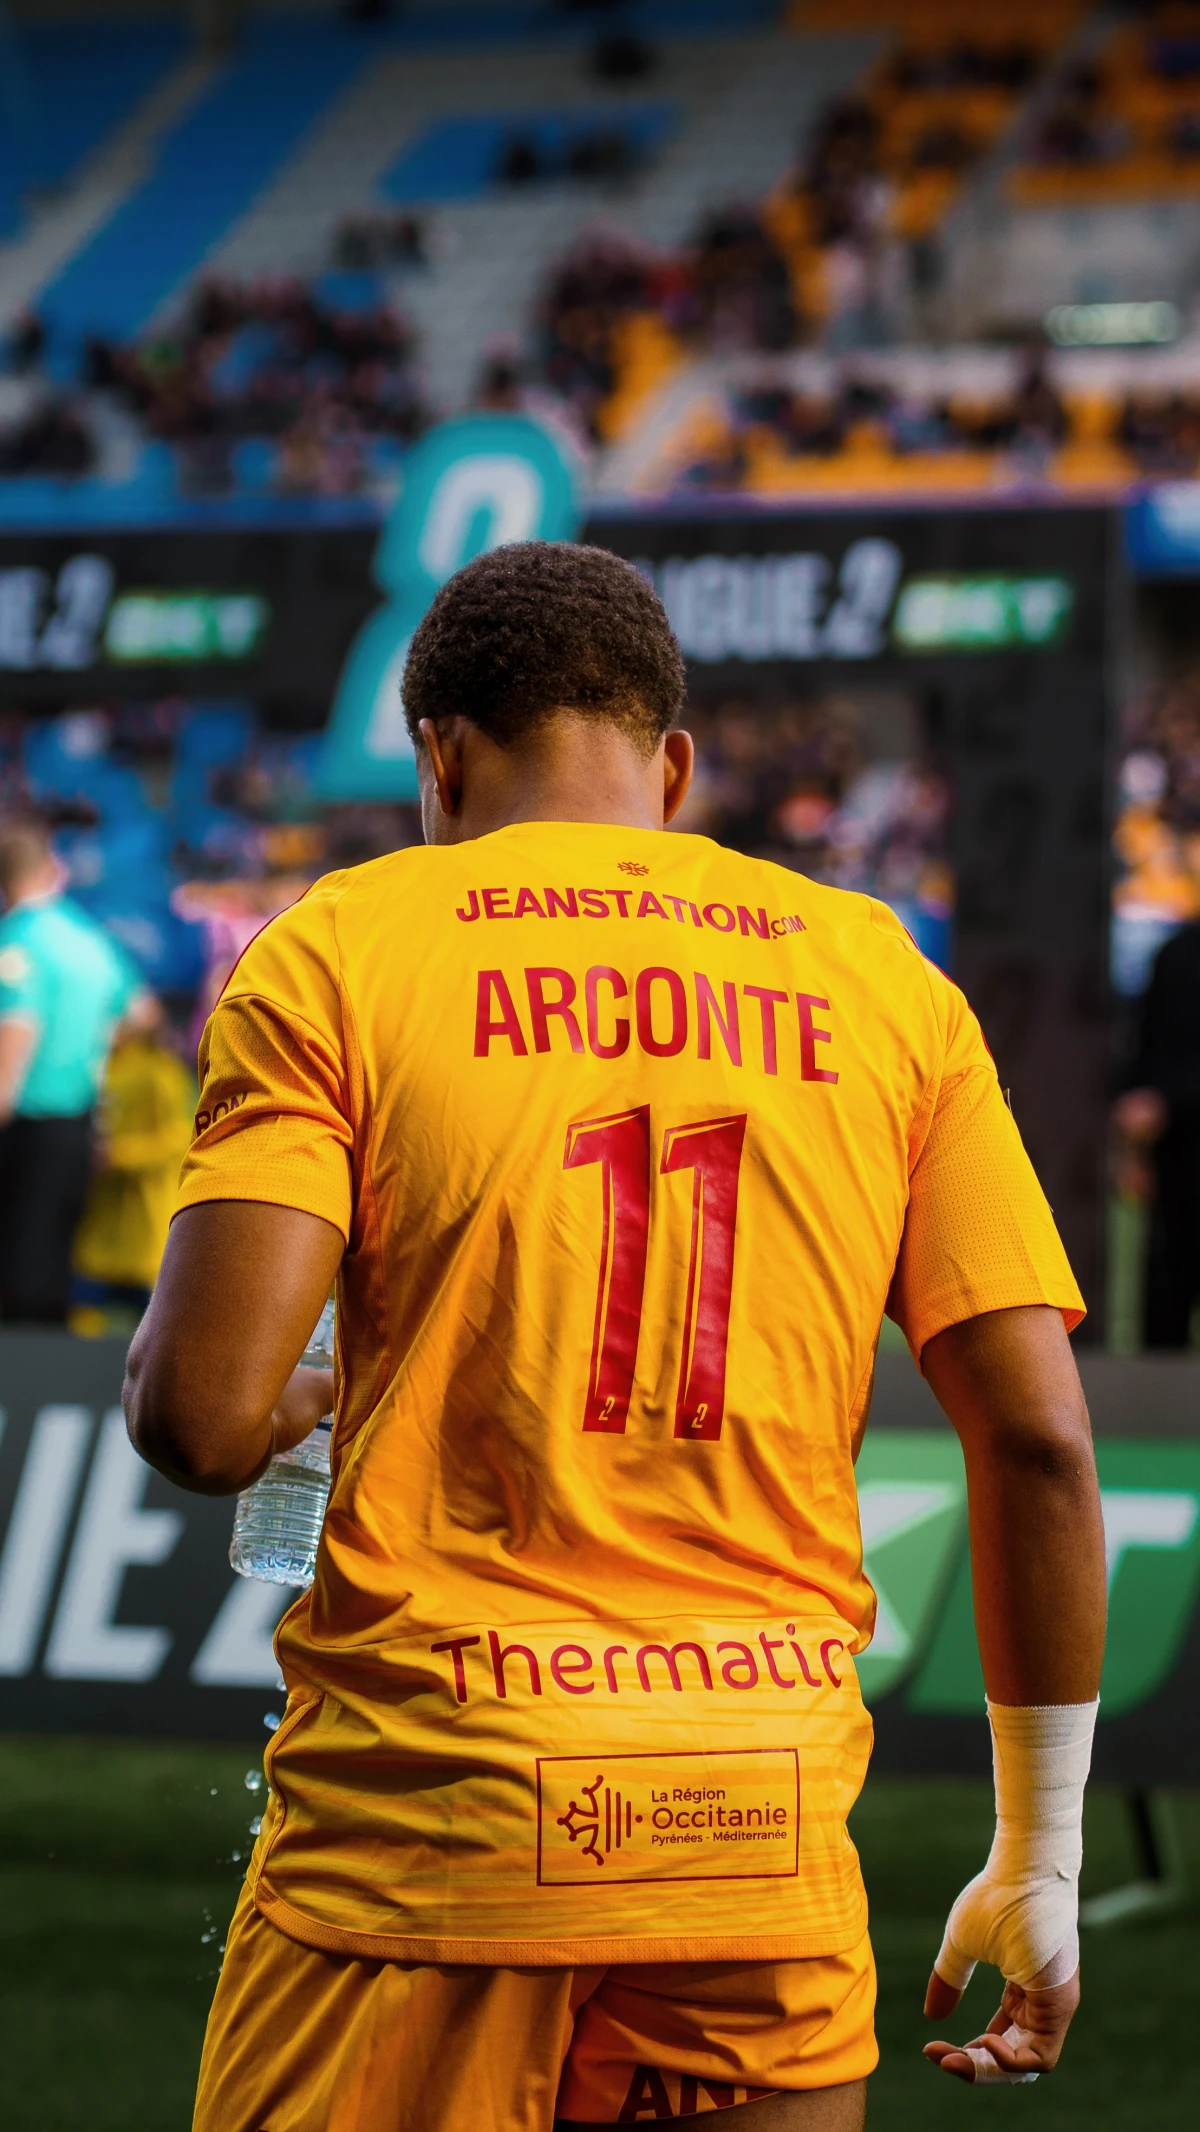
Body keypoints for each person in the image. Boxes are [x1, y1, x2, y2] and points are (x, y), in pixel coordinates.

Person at [125, 543, 1105, 2132]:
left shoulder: (344, 944)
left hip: (430, 1824)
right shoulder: (881, 977)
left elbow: (201, 1417)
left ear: (438, 755)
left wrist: (285, 1393)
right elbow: (1045, 1441)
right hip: (756, 1825)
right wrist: (1037, 1850)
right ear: (673, 765)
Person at [0, 813, 145, 1324]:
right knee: (52, 1273)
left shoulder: (16, 942)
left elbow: (15, 1036)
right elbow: (140, 1013)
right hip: (79, 1125)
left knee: (18, 1282)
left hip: (27, 1133)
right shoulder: (89, 939)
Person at [70, 994, 196, 1333]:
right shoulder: (104, 1066)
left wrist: (119, 1155)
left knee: (159, 1329)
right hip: (102, 1222)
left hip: (148, 1222)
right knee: (83, 1316)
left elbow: (180, 1139)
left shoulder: (162, 1072)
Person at [1113, 919, 1200, 1348]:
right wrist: (1133, 1154)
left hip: (1176, 1129)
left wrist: (1167, 1097)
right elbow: (1142, 1052)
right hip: (1173, 1160)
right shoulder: (1174, 952)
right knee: (1165, 1297)